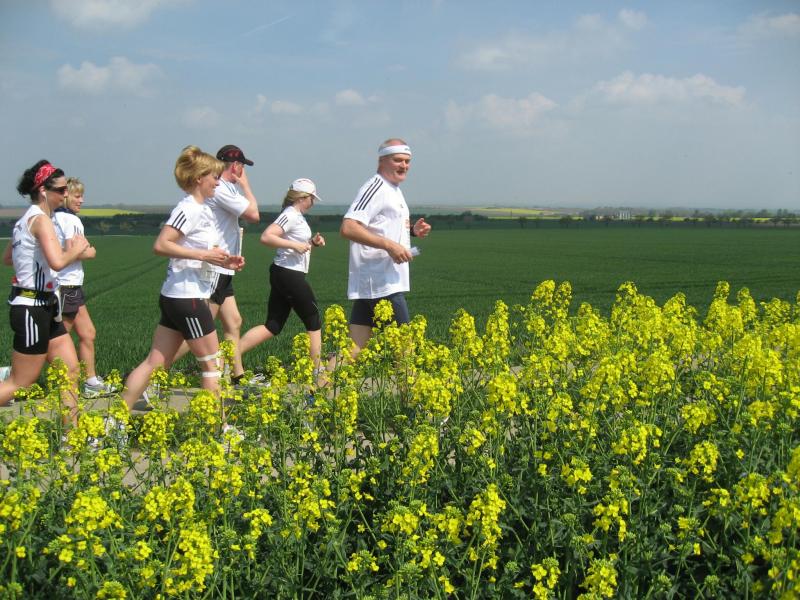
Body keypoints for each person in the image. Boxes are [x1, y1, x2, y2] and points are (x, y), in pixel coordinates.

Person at [120, 146, 244, 411]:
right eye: (214, 177)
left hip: (178, 296)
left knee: (155, 363)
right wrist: (204, 255)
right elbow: (161, 244)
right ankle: (218, 429)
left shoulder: (201, 209)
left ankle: (114, 422)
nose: (218, 182)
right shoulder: (189, 209)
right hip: (189, 298)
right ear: (199, 178)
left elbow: (197, 251)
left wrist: (224, 260)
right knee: (212, 367)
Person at [0, 160, 93, 420]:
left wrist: (31, 264)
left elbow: (8, 258)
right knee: (20, 382)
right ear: (43, 190)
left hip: (47, 306)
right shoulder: (41, 220)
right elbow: (58, 262)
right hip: (32, 308)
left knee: (71, 370)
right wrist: (77, 249)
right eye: (61, 190)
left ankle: (71, 436)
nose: (65, 194)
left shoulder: (23, 221)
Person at [170, 145, 260, 386]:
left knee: (234, 321)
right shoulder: (222, 190)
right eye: (243, 166)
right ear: (236, 166)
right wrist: (246, 185)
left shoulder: (223, 188)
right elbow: (254, 214)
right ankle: (154, 373)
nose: (243, 171)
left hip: (224, 267)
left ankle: (238, 376)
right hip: (215, 268)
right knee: (199, 330)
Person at [340, 139, 431, 357]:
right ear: (382, 160)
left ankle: (318, 382)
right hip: (381, 282)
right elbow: (348, 227)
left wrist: (411, 232)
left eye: (407, 161)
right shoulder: (376, 187)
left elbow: (380, 227)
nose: (404, 165)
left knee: (353, 351)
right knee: (405, 353)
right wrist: (390, 246)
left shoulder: (393, 189)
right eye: (398, 160)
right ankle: (408, 384)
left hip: (379, 281)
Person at [239, 179, 325, 373]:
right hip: (289, 275)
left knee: (273, 325)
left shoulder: (296, 216)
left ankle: (227, 357)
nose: (313, 202)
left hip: (284, 272)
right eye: (312, 198)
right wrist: (295, 245)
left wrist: (312, 243)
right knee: (313, 319)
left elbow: (296, 245)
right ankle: (318, 372)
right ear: (303, 198)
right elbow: (267, 236)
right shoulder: (290, 215)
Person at [52, 177, 114, 397]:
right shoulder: (70, 220)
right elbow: (75, 250)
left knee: (88, 333)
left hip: (71, 287)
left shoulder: (55, 218)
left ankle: (90, 382)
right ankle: (16, 375)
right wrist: (91, 251)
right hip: (66, 286)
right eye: (77, 196)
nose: (82, 200)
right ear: (66, 196)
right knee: (57, 341)